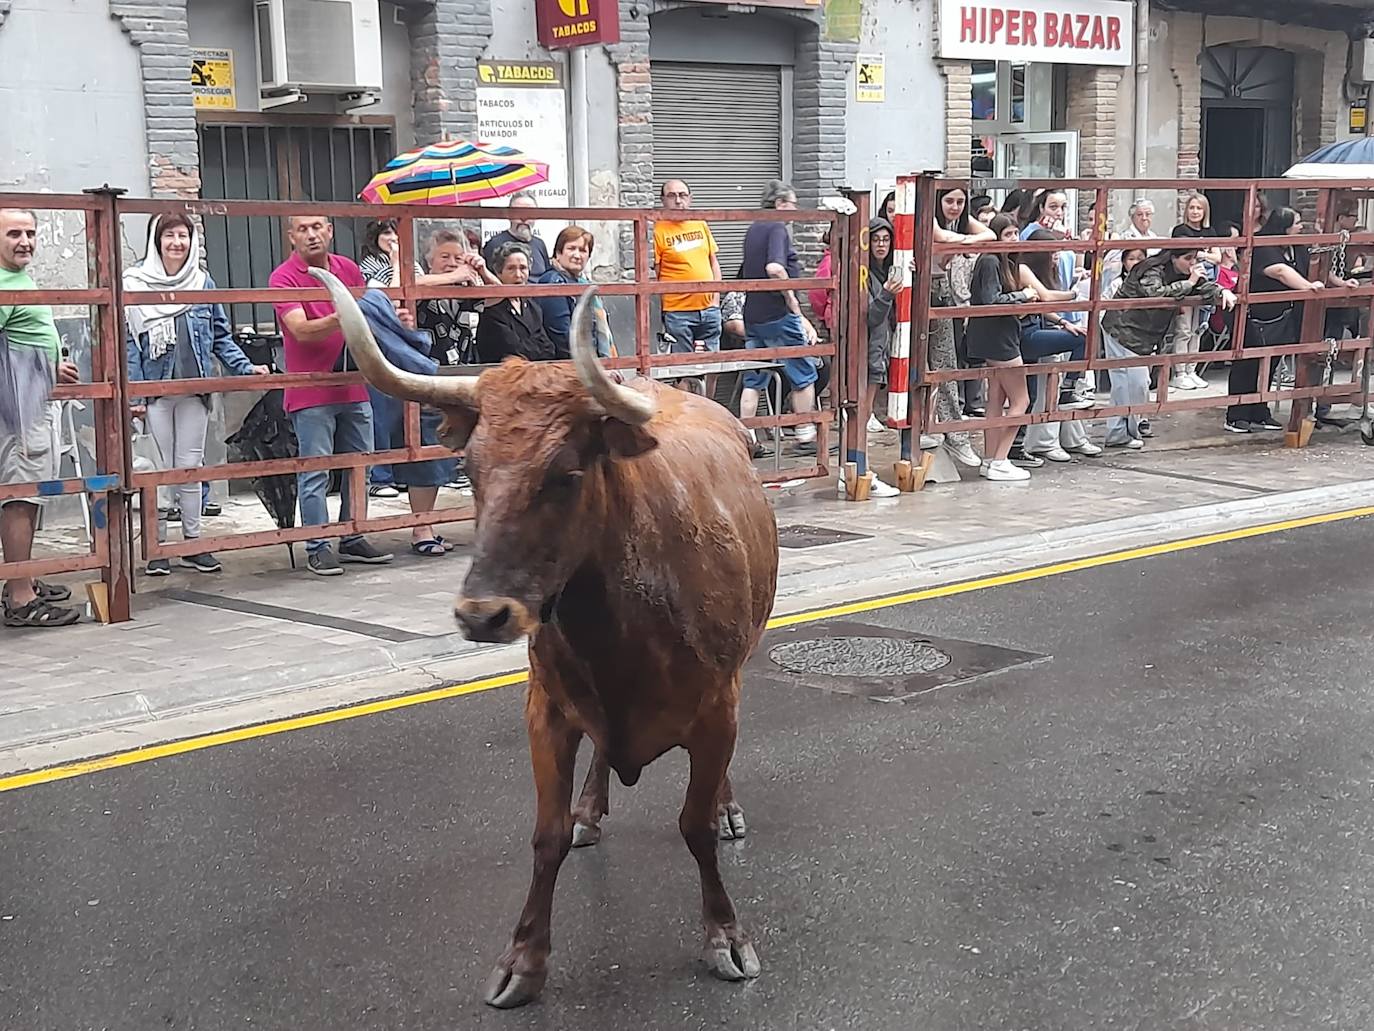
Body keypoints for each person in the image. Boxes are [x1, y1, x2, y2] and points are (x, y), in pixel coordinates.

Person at [124, 213, 268, 576]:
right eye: (169, 235)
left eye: (183, 235)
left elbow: (220, 336)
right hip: (154, 393)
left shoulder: (202, 282)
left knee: (190, 468)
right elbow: (128, 344)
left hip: (194, 391)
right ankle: (156, 548)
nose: (177, 242)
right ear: (156, 241)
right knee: (156, 471)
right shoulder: (135, 282)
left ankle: (193, 543)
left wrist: (245, 367)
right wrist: (136, 395)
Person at [270, 214, 393, 576]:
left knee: (361, 466)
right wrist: (346, 315)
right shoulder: (284, 277)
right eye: (303, 229)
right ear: (291, 235)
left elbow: (368, 313)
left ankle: (353, 536)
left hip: (354, 382)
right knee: (316, 471)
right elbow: (301, 331)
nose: (311, 235)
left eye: (317, 227)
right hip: (311, 390)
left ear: (330, 231)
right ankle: (318, 544)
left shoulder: (347, 268)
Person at [0, 208, 81, 627]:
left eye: (30, 233)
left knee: (27, 495)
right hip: (17, 412)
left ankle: (23, 578)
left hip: (32, 403)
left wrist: (50, 367)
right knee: (19, 495)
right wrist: (42, 371)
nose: (25, 241)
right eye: (14, 233)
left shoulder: (18, 277)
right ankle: (19, 597)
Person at [1226, 207, 1356, 434]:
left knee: (1271, 363)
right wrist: (1308, 287)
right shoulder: (1264, 245)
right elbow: (1279, 272)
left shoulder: (1296, 246)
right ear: (1283, 225)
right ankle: (1236, 415)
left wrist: (1342, 284)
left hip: (1281, 317)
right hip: (1254, 316)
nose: (1300, 226)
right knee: (1247, 364)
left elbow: (1316, 271)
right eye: (1296, 222)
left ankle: (1259, 411)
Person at [1102, 247, 1236, 449]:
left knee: (1131, 383)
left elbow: (1203, 286)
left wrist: (1221, 290)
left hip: (1143, 335)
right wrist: (1189, 282)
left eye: (1194, 258)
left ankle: (1119, 432)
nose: (1192, 263)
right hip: (1123, 328)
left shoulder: (1185, 272)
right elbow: (1154, 294)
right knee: (1133, 383)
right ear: (1173, 258)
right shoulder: (1152, 270)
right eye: (1187, 258)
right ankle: (1121, 431)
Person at [738, 181, 820, 457]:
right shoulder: (776, 228)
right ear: (780, 203)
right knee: (804, 373)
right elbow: (774, 268)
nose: (795, 211)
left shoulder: (753, 229)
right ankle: (804, 434)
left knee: (754, 377)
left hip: (753, 315)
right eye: (793, 204)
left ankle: (746, 437)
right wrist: (792, 300)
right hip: (777, 313)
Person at [1015, 229, 1099, 464]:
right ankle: (1069, 389)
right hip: (1025, 335)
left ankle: (1017, 446)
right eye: (1053, 252)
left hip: (1036, 328)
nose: (1057, 257)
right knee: (1081, 339)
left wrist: (1062, 322)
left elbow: (1043, 306)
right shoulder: (1024, 270)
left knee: (1028, 396)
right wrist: (1076, 293)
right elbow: (1046, 298)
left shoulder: (1042, 271)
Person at [965, 215, 1037, 482]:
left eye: (1016, 233)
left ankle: (991, 458)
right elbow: (991, 300)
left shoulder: (999, 261)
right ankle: (1000, 458)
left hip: (994, 335)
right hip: (999, 338)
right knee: (1021, 399)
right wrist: (1024, 295)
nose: (1014, 239)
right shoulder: (991, 260)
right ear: (996, 236)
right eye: (1008, 234)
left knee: (996, 397)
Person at [928, 187, 989, 467]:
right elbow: (940, 237)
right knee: (921, 366)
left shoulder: (960, 221)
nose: (954, 207)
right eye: (949, 201)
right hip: (917, 289)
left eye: (960, 201)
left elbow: (989, 235)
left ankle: (953, 434)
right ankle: (929, 429)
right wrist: (965, 243)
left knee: (946, 365)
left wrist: (959, 241)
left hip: (944, 290)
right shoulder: (927, 217)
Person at [654, 179, 723, 356]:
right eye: (672, 196)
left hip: (709, 309)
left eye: (682, 195)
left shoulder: (699, 223)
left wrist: (715, 299)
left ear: (690, 198)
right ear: (663, 200)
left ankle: (708, 386)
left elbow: (713, 261)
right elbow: (656, 271)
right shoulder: (658, 230)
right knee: (683, 369)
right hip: (678, 312)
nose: (678, 201)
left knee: (713, 364)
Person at [1166, 192, 1222, 391]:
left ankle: (1192, 369)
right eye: (1192, 208)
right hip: (1185, 284)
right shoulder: (1180, 230)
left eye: (1199, 208)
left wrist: (1200, 253)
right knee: (1183, 330)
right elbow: (1184, 252)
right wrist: (1204, 253)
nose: (1195, 212)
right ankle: (1179, 372)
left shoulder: (1211, 231)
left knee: (1198, 329)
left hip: (1204, 285)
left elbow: (1218, 258)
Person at [537, 225, 613, 359]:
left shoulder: (583, 284)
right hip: (567, 367)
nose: (577, 255)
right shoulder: (553, 282)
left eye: (583, 250)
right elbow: (562, 336)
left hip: (587, 360)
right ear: (558, 253)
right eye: (571, 248)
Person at [476, 241, 555, 363]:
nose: (518, 275)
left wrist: (531, 349)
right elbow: (513, 350)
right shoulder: (492, 309)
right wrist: (535, 347)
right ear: (499, 272)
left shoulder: (532, 306)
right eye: (511, 268)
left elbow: (549, 349)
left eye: (523, 268)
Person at [481, 192, 550, 279]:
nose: (524, 218)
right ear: (509, 215)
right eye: (518, 213)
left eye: (530, 213)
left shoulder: (540, 244)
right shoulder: (494, 244)